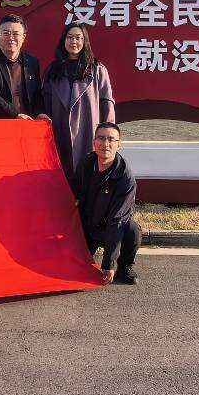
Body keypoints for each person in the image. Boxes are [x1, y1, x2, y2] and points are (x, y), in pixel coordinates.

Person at [42, 24, 116, 185]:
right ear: (63, 41)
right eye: (69, 37)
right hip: (60, 134)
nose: (73, 41)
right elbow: (45, 104)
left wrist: (108, 136)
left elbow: (107, 103)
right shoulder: (52, 71)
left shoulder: (96, 69)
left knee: (88, 179)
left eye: (78, 37)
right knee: (63, 182)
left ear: (84, 41)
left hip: (88, 133)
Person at [76, 122, 141, 286]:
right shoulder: (87, 163)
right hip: (86, 226)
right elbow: (75, 191)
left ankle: (124, 267)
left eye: (111, 139)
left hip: (109, 230)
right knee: (70, 271)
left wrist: (108, 264)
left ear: (119, 145)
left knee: (133, 230)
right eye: (101, 138)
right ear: (94, 142)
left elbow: (117, 220)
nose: (105, 144)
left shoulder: (126, 180)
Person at [0, 14, 48, 120]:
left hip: (28, 123)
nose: (11, 38)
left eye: (16, 34)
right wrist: (15, 114)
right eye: (6, 33)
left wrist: (39, 112)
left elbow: (36, 94)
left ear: (23, 37)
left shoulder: (32, 62)